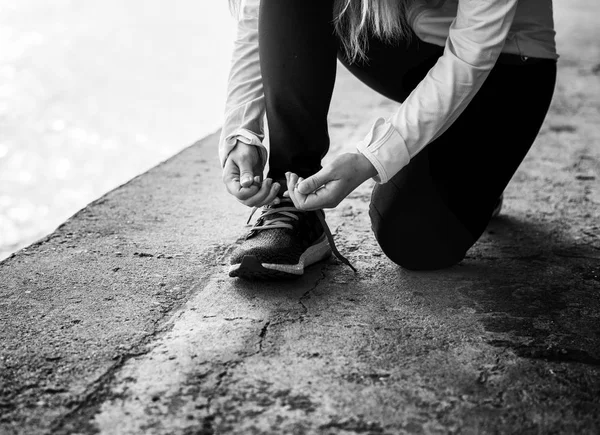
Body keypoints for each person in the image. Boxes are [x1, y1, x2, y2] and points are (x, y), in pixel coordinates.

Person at [219, 0, 557, 279]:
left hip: (508, 64)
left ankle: (482, 172)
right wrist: (242, 131)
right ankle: (291, 204)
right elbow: (261, 13)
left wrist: (371, 157)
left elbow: (472, 54)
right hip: (406, 42)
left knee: (415, 240)